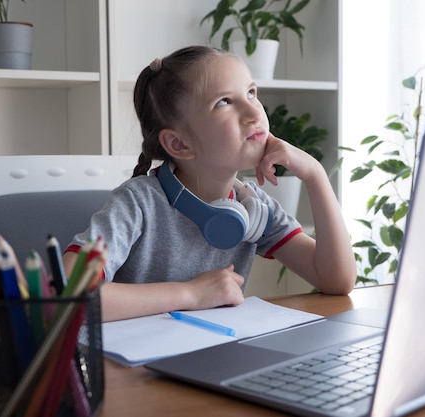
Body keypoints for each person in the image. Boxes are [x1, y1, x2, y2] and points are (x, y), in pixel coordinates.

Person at [63, 45, 356, 322]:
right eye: (224, 102)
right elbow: (68, 297)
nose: (255, 113)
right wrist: (190, 293)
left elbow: (336, 280)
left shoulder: (253, 209)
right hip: (132, 371)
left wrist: (315, 175)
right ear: (179, 143)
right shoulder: (137, 204)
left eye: (251, 93)